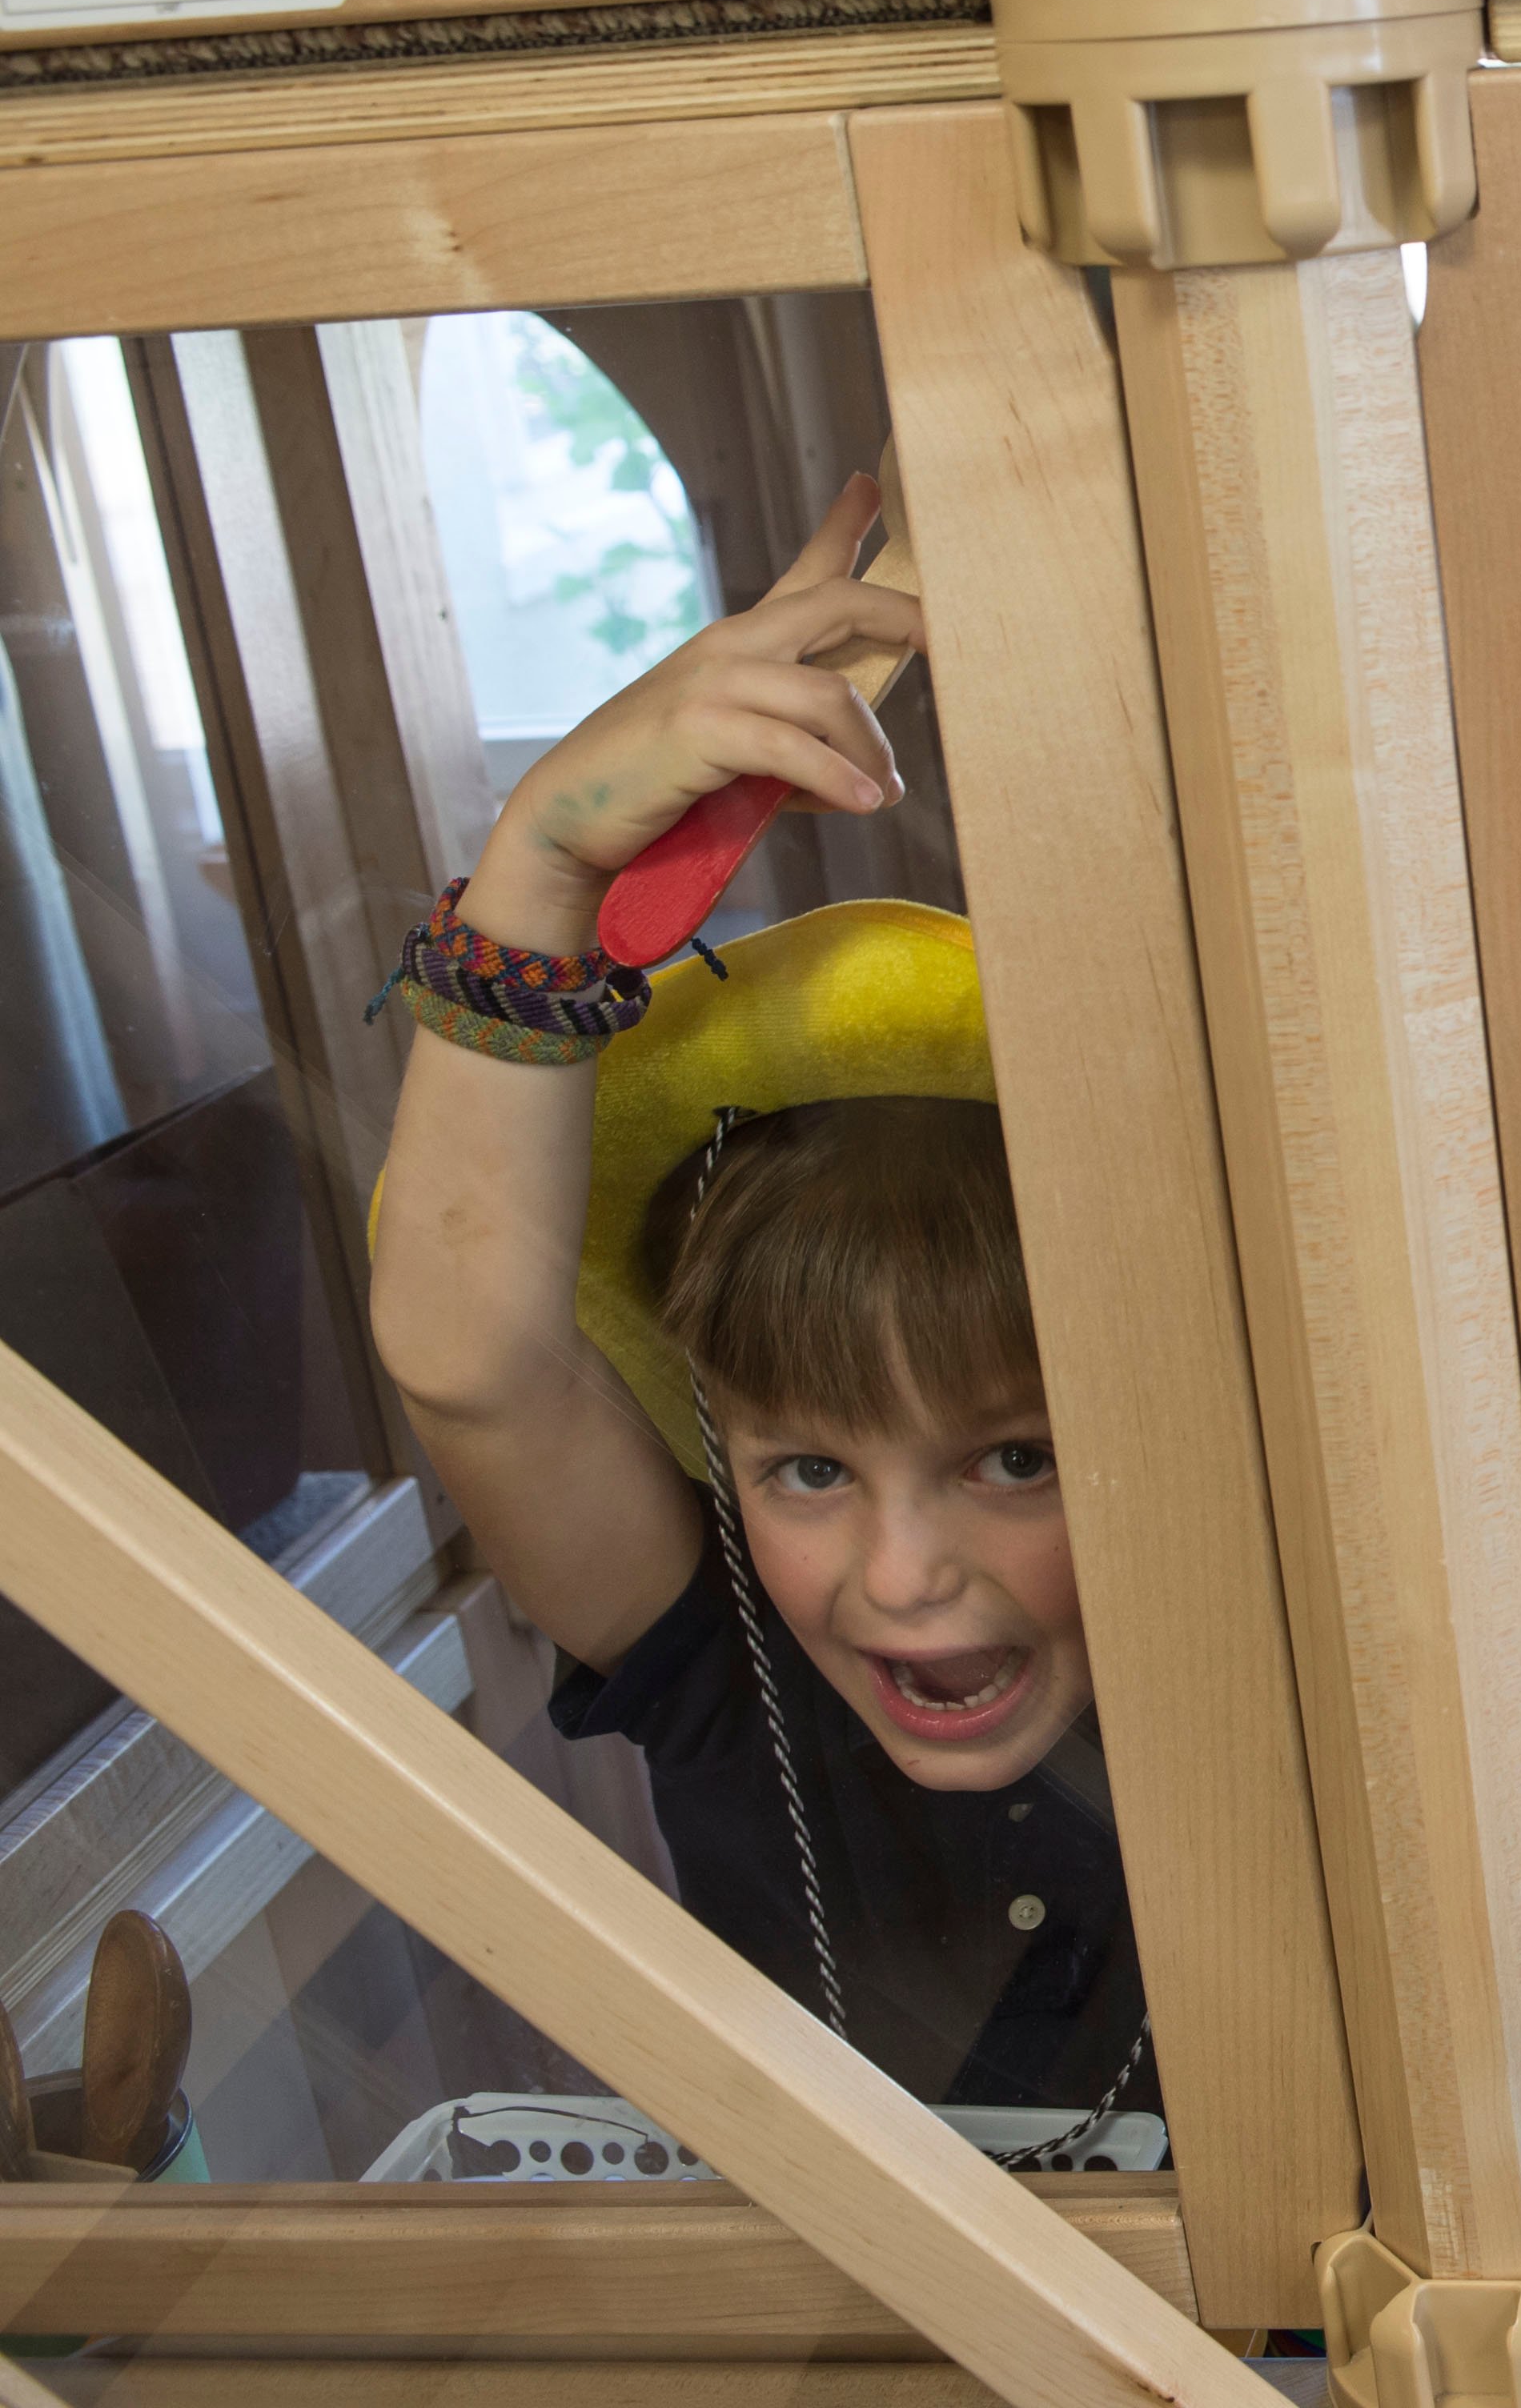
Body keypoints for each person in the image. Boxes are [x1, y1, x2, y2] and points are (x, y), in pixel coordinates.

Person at [367, 481, 1153, 2128]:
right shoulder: (725, 1651)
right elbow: (473, 1361)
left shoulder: (1289, 1653)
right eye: (809, 1467)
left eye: (1013, 1458)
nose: (900, 1574)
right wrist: (547, 861)